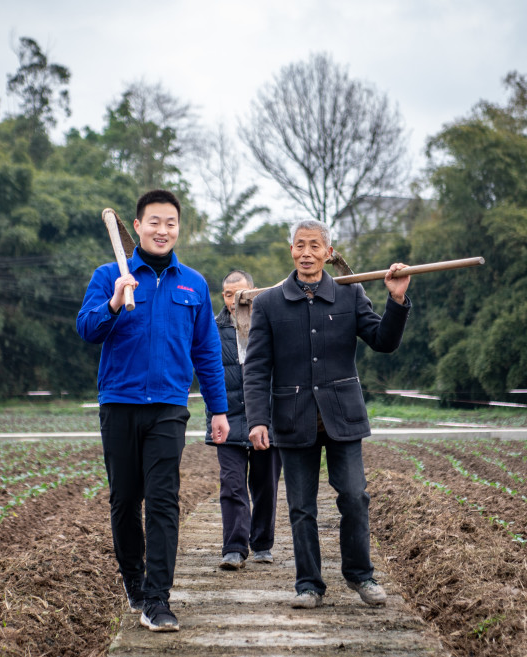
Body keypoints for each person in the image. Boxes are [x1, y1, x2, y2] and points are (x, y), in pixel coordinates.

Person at [77, 189, 230, 633]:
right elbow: (86, 329)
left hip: (168, 407)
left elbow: (206, 352)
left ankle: (158, 599)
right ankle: (134, 580)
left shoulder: (193, 284)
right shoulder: (110, 275)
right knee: (125, 501)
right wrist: (113, 301)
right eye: (154, 222)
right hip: (120, 405)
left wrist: (218, 411)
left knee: (163, 502)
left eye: (171, 223)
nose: (163, 230)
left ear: (178, 229)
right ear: (137, 227)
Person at [242, 219, 411, 610]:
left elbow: (383, 341)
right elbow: (256, 368)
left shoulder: (350, 296)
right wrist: (257, 419)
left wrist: (397, 300)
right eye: (300, 245)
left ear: (328, 253)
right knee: (302, 507)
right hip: (292, 418)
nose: (306, 253)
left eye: (315, 246)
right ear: (291, 251)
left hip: (342, 417)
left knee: (354, 496)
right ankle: (309, 585)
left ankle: (361, 575)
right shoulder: (268, 303)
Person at [205, 270, 282, 571]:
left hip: (267, 417)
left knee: (266, 485)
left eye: (241, 293)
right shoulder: (211, 330)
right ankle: (234, 547)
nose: (235, 299)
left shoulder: (271, 325)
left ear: (254, 293)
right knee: (232, 485)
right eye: (228, 294)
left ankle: (262, 544)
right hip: (228, 417)